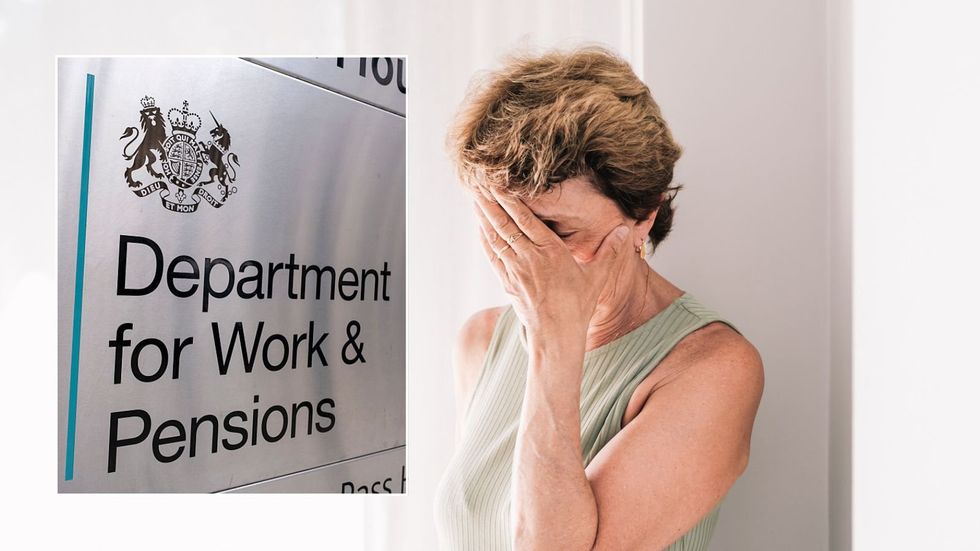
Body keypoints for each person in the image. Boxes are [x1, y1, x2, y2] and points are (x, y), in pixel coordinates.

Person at [433, 46, 764, 550]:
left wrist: (554, 337)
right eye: (509, 228)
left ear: (643, 215)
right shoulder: (481, 340)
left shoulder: (714, 370)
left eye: (557, 231)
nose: (530, 257)